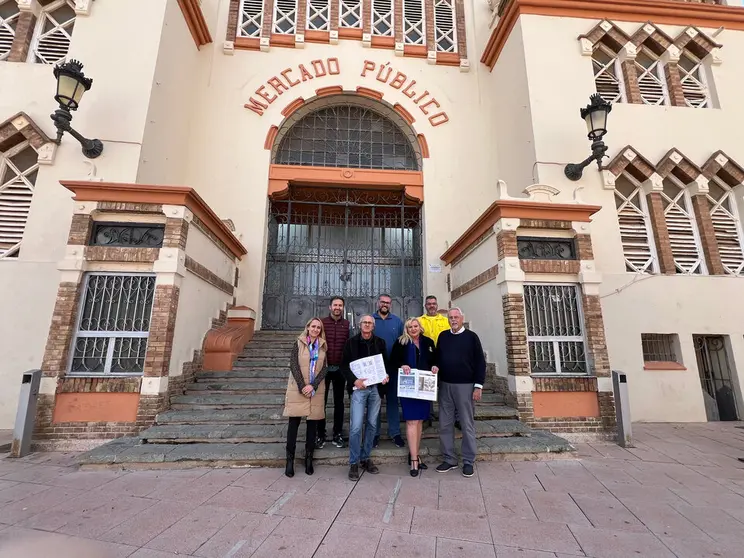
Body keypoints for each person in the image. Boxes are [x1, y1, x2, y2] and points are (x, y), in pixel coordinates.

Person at [435, 307, 485, 478]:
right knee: (445, 424)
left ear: (462, 318)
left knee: (466, 424)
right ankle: (449, 458)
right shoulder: (443, 336)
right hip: (445, 386)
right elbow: (437, 358)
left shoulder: (471, 337)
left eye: (456, 317)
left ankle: (468, 460)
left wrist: (478, 386)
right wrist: (435, 367)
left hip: (466, 386)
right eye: (450, 317)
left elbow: (480, 362)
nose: (453, 320)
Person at [341, 314, 390, 481]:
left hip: (376, 389)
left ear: (373, 326)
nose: (367, 325)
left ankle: (365, 457)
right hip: (358, 390)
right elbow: (344, 366)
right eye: (365, 322)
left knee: (371, 424)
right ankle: (354, 462)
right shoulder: (350, 343)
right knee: (355, 427)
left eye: (370, 323)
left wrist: (385, 377)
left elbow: (385, 365)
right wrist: (354, 380)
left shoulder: (380, 343)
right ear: (360, 325)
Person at [389, 318, 439, 477]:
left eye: (415, 326)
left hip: (424, 388)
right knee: (411, 421)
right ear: (406, 329)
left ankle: (415, 454)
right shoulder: (401, 342)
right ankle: (413, 460)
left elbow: (435, 360)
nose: (413, 328)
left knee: (419, 422)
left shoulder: (429, 342)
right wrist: (401, 365)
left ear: (420, 327)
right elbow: (393, 362)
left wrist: (435, 366)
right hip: (409, 388)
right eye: (409, 326)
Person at [283, 317, 328, 478]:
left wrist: (313, 385)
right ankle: (290, 460)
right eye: (313, 326)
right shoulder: (299, 343)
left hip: (315, 390)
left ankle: (309, 458)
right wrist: (303, 386)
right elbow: (293, 364)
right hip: (298, 388)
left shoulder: (322, 345)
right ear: (308, 327)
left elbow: (324, 368)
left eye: (318, 327)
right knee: (293, 424)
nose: (316, 329)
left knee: (312, 425)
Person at [373, 294, 405, 449]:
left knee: (393, 401)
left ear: (390, 305)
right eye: (382, 302)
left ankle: (395, 433)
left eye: (388, 302)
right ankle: (374, 434)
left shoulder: (397, 321)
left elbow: (402, 343)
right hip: (375, 369)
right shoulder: (371, 320)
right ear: (378, 303)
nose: (385, 304)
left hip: (393, 368)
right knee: (375, 402)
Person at [318, 296, 350, 449]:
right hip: (323, 369)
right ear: (330, 307)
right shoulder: (322, 323)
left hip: (340, 370)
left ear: (343, 308)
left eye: (340, 305)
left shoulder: (347, 324)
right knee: (320, 402)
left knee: (339, 403)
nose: (337, 307)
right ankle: (320, 434)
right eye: (335, 305)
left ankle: (337, 433)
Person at [418, 295, 450, 428]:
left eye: (434, 303)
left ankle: (448, 416)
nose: (431, 306)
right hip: (426, 359)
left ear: (437, 305)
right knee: (426, 388)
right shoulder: (419, 320)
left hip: (444, 359)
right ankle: (427, 416)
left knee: (445, 389)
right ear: (425, 306)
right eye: (429, 303)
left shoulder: (445, 320)